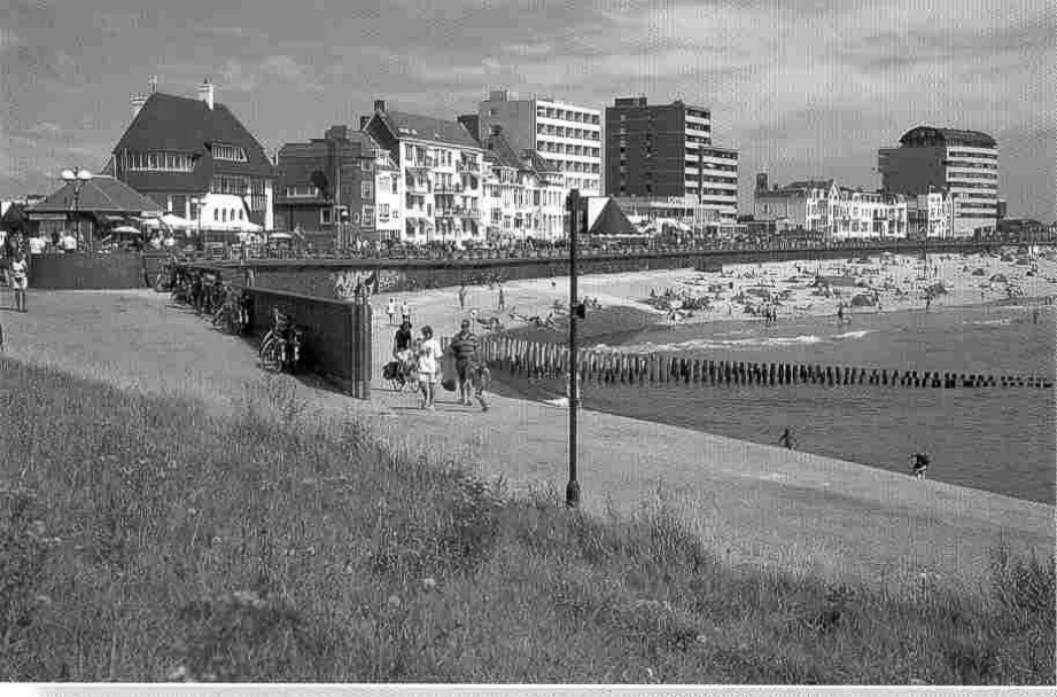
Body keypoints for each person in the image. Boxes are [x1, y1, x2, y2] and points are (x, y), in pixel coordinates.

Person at [449, 319, 481, 406]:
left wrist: (477, 363)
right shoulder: (456, 337)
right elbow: (452, 349)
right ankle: (463, 397)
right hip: (460, 361)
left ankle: (469, 399)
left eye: (465, 326)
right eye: (462, 326)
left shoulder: (474, 337)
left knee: (469, 379)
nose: (464, 328)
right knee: (462, 379)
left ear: (468, 327)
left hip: (470, 361)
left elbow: (477, 350)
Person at [416, 325, 441, 410]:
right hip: (422, 366)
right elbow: (416, 354)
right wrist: (420, 353)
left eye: (428, 333)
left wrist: (438, 366)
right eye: (425, 333)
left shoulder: (435, 343)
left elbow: (438, 356)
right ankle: (426, 398)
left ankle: (431, 403)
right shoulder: (420, 342)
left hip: (432, 367)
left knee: (432, 385)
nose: (427, 335)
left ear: (431, 333)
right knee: (422, 384)